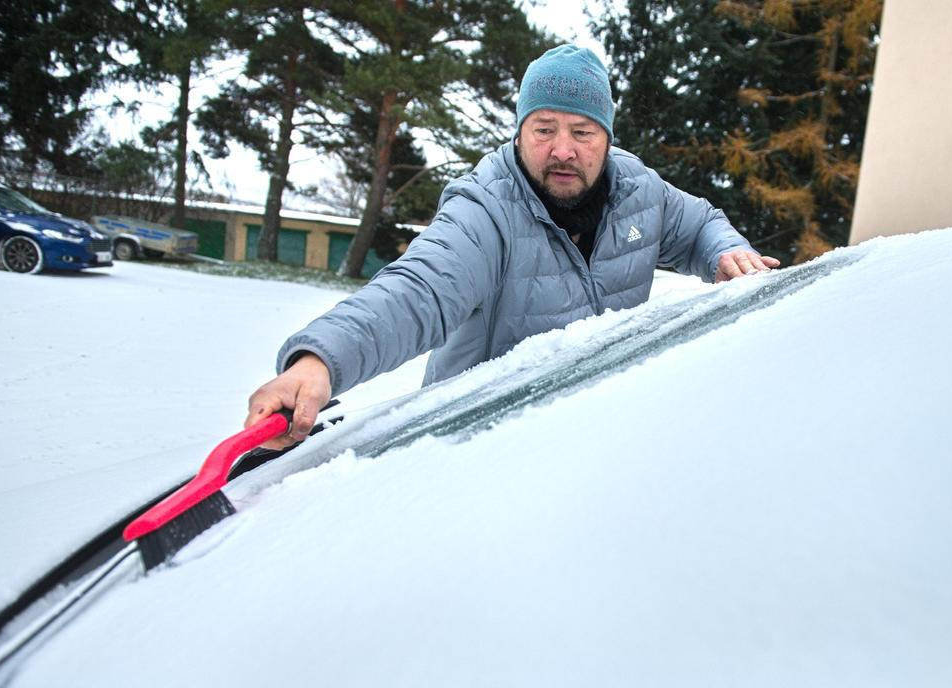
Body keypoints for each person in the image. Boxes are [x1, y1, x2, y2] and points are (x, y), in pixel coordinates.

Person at [246, 44, 779, 447]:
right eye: (544, 129)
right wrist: (320, 362)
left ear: (608, 139)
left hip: (593, 431)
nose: (563, 150)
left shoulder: (640, 191)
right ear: (519, 131)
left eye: (583, 133)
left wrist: (725, 252)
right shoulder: (487, 208)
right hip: (475, 442)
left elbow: (702, 222)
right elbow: (420, 290)